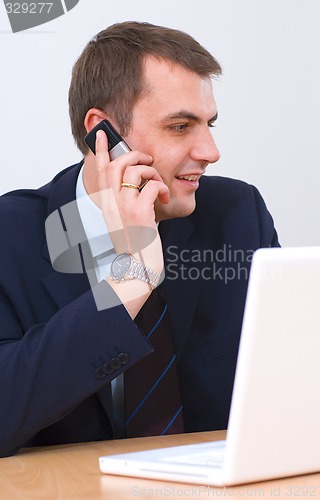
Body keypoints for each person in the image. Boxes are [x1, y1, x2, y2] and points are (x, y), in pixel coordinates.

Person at [0, 21, 279, 458]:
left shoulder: (237, 214)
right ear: (103, 134)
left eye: (209, 124)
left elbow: (292, 374)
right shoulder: (10, 236)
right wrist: (132, 278)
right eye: (181, 126)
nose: (210, 150)